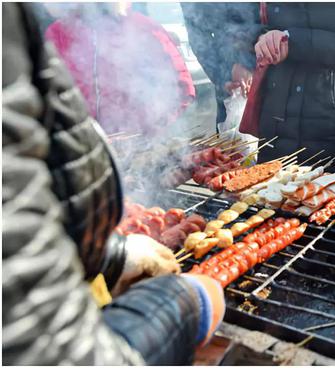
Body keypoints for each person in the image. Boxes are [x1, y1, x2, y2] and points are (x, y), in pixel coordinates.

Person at [3, 3, 224, 364]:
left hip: (121, 166)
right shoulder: (53, 32)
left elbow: (182, 89)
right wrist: (181, 308)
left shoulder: (146, 31)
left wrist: (109, 255)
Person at [252, 3, 335, 169]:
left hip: (328, 120)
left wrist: (293, 40)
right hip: (275, 118)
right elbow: (243, 20)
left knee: (331, 191)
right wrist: (261, 38)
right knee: (265, 191)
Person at [44, 3, 195, 136]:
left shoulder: (142, 27)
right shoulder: (55, 34)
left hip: (140, 142)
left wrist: (159, 122)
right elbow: (44, 92)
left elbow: (180, 84)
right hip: (83, 144)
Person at [181, 2, 262, 128]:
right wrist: (223, 76)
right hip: (229, 84)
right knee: (232, 141)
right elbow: (198, 36)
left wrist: (247, 62)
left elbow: (278, 20)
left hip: (273, 74)